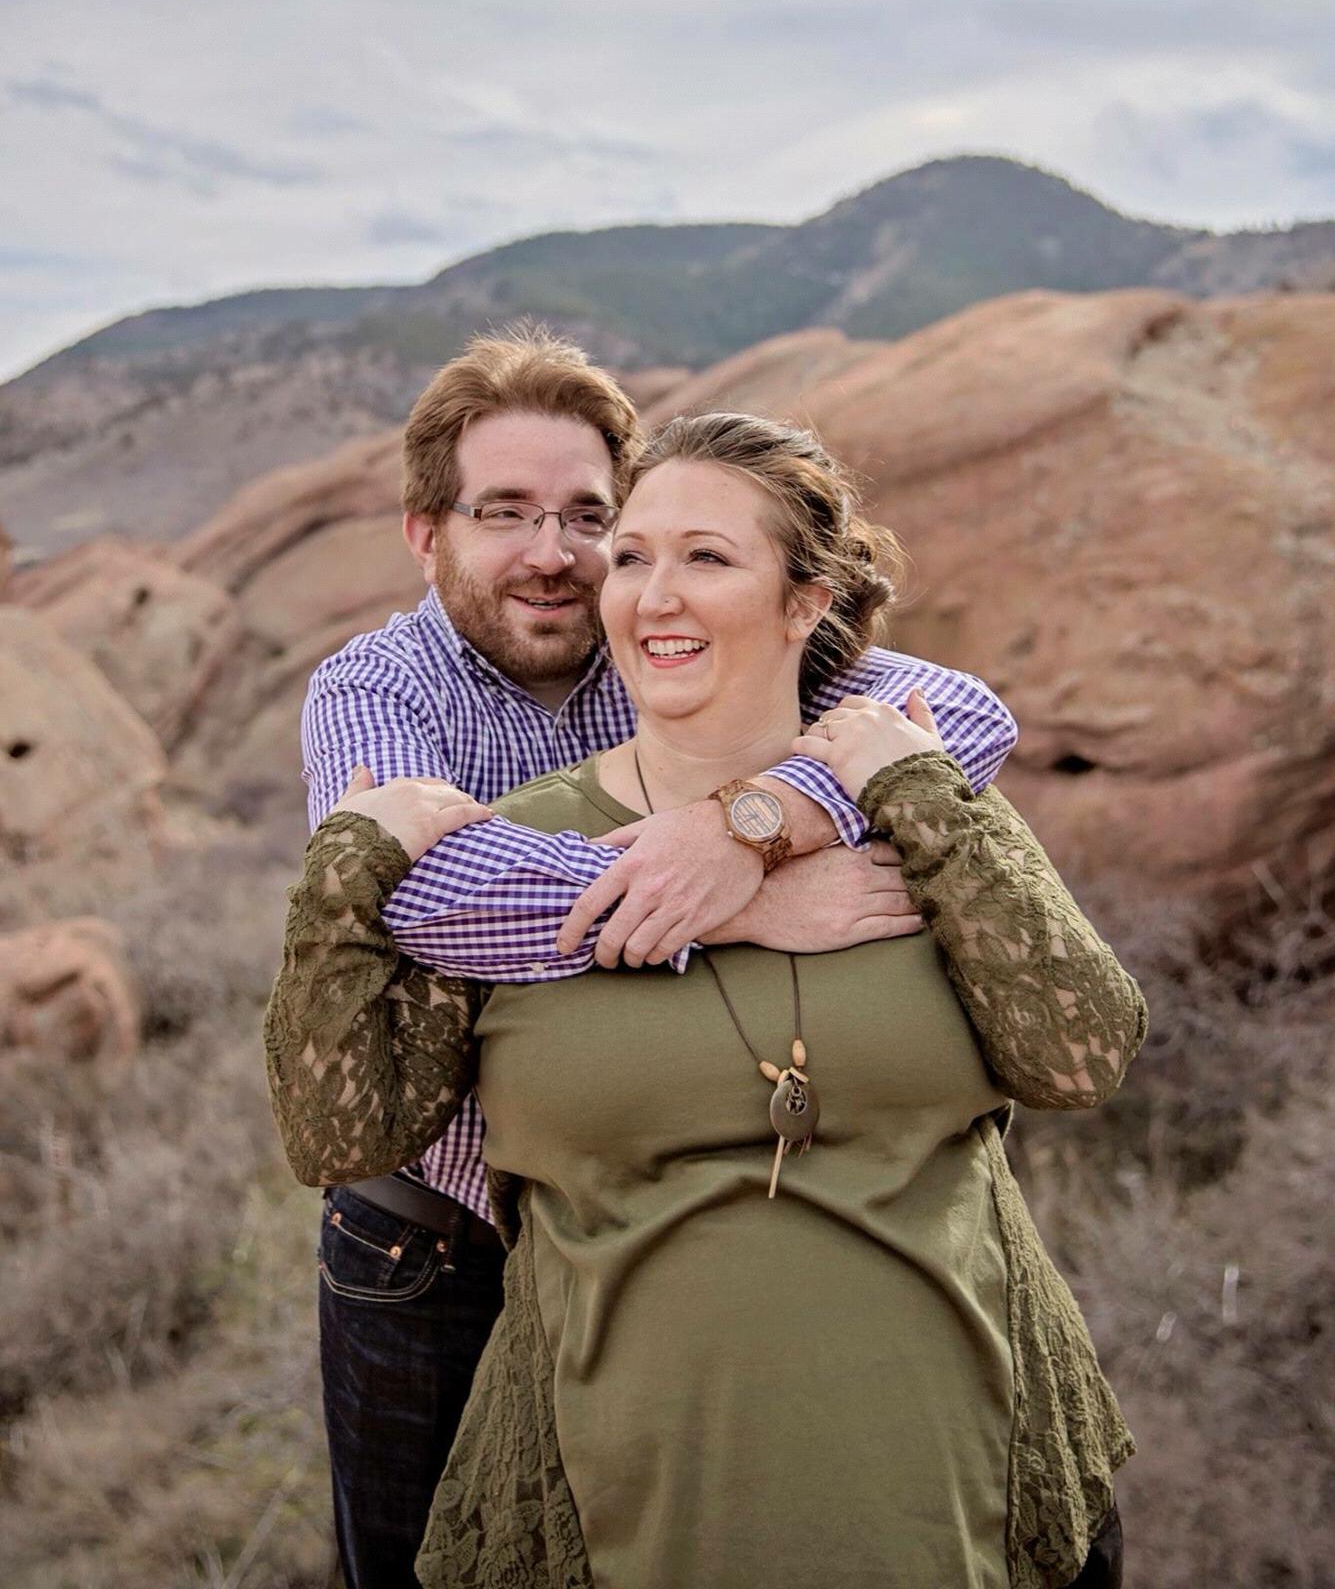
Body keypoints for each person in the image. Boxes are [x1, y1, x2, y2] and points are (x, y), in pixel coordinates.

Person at [267, 407, 1145, 1589]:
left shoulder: (910, 796)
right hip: (620, 1493)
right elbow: (339, 1132)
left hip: (968, 1482)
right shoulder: (494, 854)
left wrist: (834, 804)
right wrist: (351, 867)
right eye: (632, 557)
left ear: (805, 602)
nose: (643, 592)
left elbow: (1084, 1054)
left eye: (707, 557)